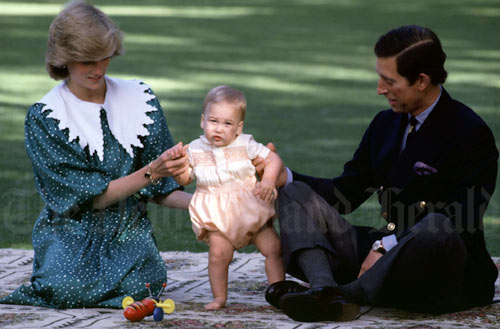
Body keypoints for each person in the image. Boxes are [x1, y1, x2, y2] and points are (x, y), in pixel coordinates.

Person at [263, 25, 499, 322]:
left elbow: (462, 218)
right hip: (384, 251)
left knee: (436, 226)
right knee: (294, 194)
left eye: (389, 81)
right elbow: (346, 195)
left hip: (442, 266)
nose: (379, 89)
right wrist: (284, 175)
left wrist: (385, 245)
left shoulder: (470, 132)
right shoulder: (385, 124)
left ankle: (350, 294)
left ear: (422, 81)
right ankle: (323, 290)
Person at [0, 0, 191, 309]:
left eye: (104, 58)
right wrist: (151, 172)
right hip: (69, 232)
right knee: (65, 288)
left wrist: (205, 207)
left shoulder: (140, 99)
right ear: (63, 59)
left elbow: (161, 190)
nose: (99, 69)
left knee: (145, 286)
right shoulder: (46, 117)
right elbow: (91, 198)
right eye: (87, 61)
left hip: (129, 231)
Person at [167, 85, 285, 310]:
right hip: (217, 213)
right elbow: (185, 180)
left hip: (251, 207)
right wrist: (178, 167)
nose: (219, 129)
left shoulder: (245, 144)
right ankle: (219, 297)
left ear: (239, 127)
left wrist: (268, 181)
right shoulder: (194, 150)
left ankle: (278, 291)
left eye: (227, 124)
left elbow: (273, 160)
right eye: (213, 121)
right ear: (203, 121)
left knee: (273, 249)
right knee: (218, 256)